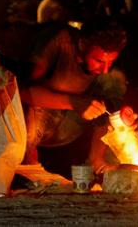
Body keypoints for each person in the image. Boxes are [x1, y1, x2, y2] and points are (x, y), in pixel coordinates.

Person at [19, 20, 129, 174]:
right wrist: (73, 102)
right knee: (26, 124)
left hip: (69, 123)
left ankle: (97, 161)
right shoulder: (59, 42)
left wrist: (122, 114)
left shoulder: (107, 70)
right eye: (98, 61)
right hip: (38, 116)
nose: (104, 69)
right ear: (83, 44)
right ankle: (24, 166)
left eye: (110, 62)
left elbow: (113, 96)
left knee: (114, 85)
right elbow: (22, 91)